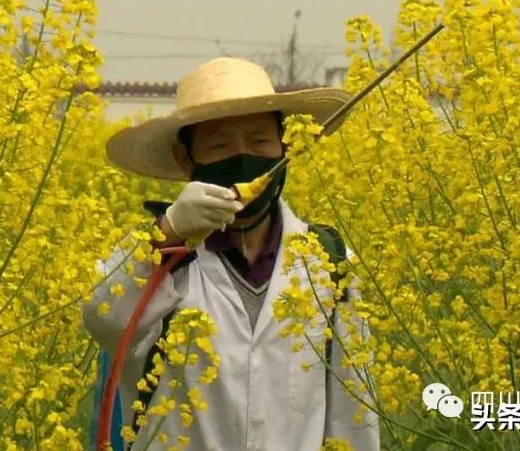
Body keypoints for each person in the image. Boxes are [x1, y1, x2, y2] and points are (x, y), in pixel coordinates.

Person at [84, 57, 380, 451]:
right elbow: (103, 321)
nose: (243, 159)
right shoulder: (163, 260)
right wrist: (168, 231)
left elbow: (353, 413)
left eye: (260, 142)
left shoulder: (328, 261)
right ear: (186, 159)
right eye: (220, 146)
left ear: (285, 147)